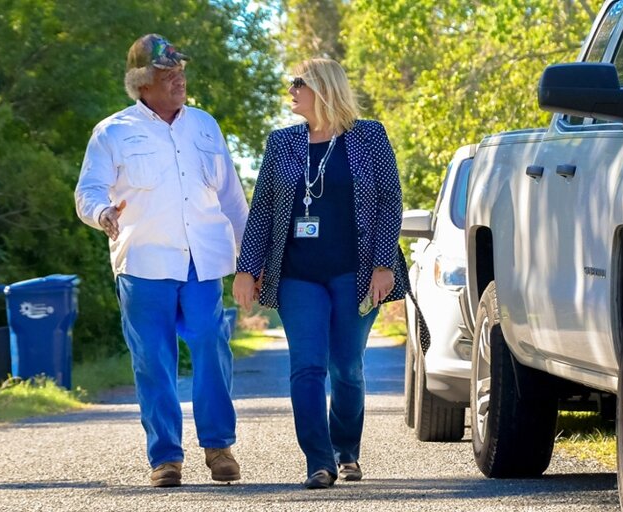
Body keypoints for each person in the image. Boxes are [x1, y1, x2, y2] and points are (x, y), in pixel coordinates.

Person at [74, 34, 248, 488]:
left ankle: (218, 446)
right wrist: (102, 213)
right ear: (141, 83)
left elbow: (232, 197)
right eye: (167, 74)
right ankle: (166, 458)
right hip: (143, 264)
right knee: (152, 360)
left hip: (202, 262)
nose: (179, 81)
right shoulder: (112, 131)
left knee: (211, 345)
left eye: (181, 72)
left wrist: (251, 258)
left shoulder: (205, 126)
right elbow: (88, 191)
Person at [233, 58, 408, 489]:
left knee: (346, 367)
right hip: (297, 276)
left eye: (299, 83)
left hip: (357, 272)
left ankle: (346, 448)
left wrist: (384, 264)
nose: (291, 91)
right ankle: (319, 459)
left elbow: (390, 202)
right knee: (307, 367)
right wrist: (246, 269)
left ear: (324, 88)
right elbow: (262, 212)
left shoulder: (369, 136)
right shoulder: (281, 143)